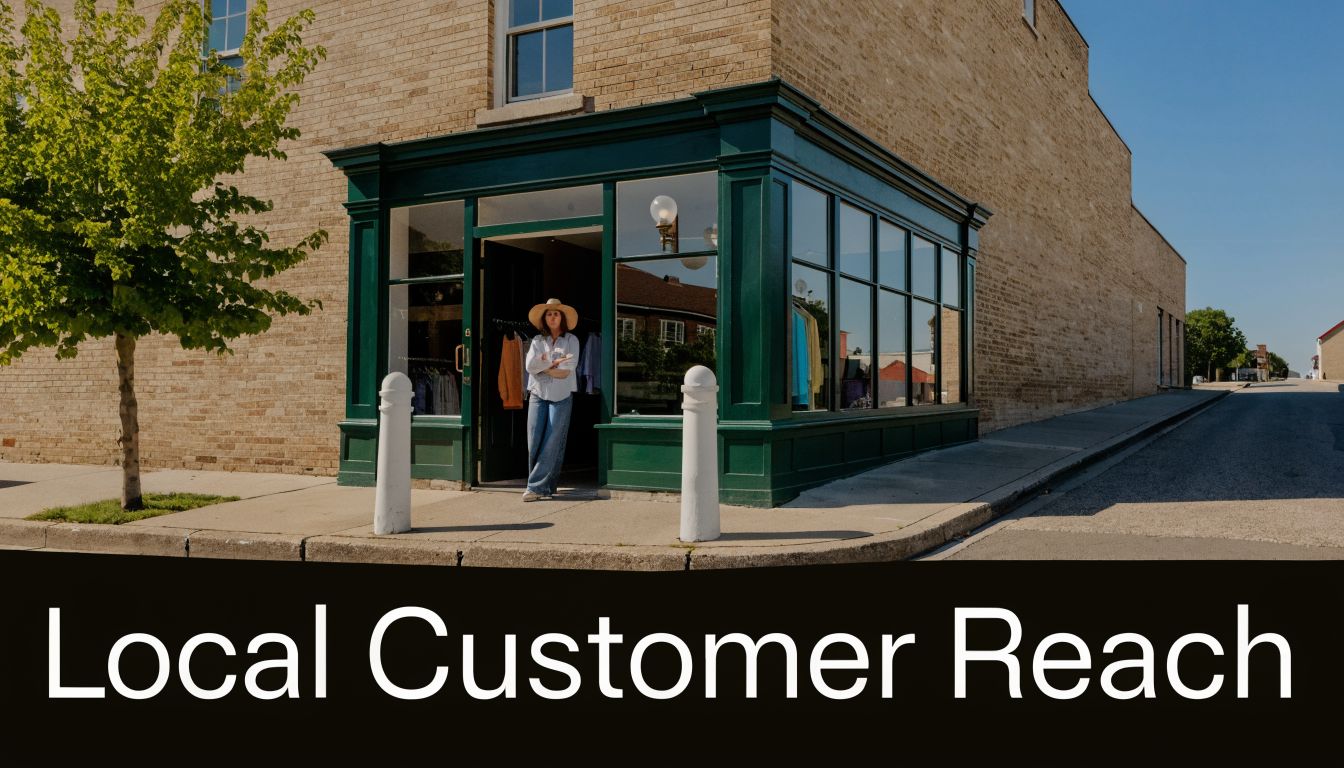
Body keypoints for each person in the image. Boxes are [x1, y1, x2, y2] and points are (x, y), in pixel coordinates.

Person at [522, 298, 580, 501]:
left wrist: (543, 367)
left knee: (553, 441)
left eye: (556, 313)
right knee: (534, 440)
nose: (553, 316)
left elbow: (566, 371)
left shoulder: (571, 340)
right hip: (538, 394)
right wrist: (552, 364)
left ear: (562, 318)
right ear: (544, 319)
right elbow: (529, 366)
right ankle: (546, 486)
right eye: (549, 314)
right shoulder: (537, 341)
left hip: (562, 396)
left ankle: (535, 487)